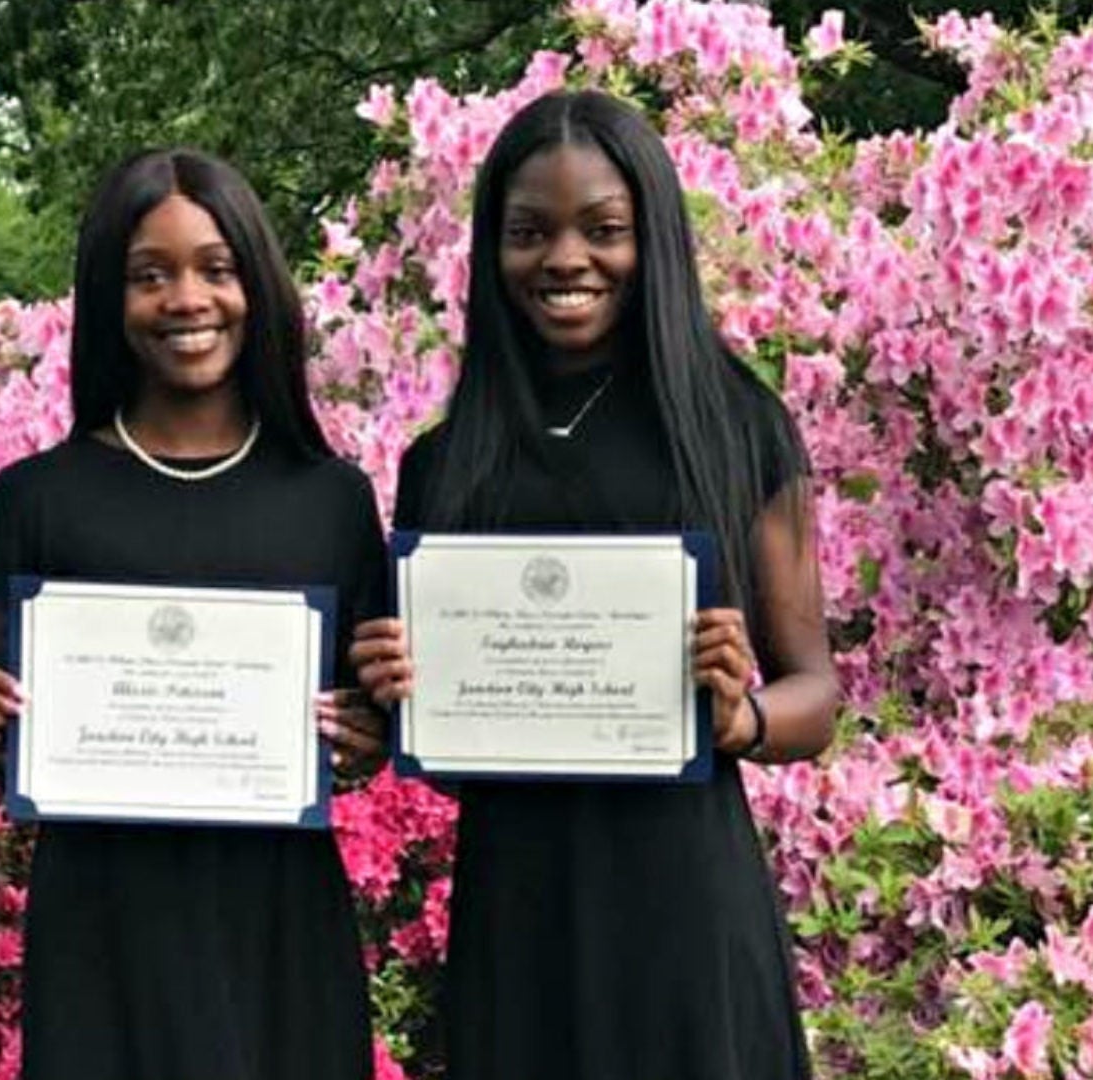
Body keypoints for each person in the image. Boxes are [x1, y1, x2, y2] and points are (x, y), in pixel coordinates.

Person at [350, 91, 842, 1079]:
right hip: (518, 914)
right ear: (493, 252)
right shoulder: (445, 462)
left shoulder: (734, 424)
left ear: (650, 237)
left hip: (686, 917)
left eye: (603, 230)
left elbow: (816, 698)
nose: (565, 259)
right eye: (530, 232)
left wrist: (742, 716)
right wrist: (405, 695)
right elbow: (451, 759)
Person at [0, 148, 389, 1080]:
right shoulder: (37, 499)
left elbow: (371, 716)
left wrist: (365, 732)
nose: (187, 299)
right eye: (151, 275)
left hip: (279, 933)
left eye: (216, 269)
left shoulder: (332, 500)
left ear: (256, 285)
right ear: (111, 297)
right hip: (104, 935)